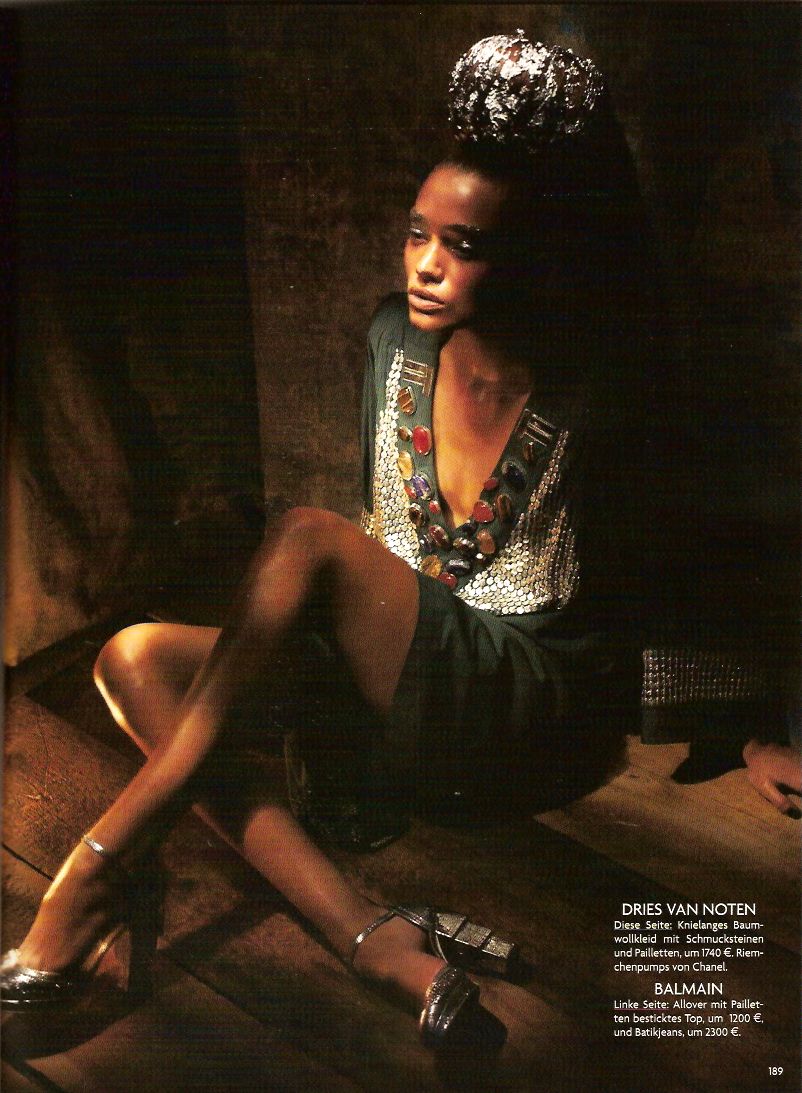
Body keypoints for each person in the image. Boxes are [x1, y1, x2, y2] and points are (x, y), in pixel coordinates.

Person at [2, 31, 793, 1044]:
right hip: (399, 691)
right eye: (418, 233)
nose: (425, 264)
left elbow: (676, 565)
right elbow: (390, 544)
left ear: (540, 251)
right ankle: (369, 936)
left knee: (305, 536)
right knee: (131, 658)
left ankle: (99, 867)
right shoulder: (394, 342)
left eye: (465, 245)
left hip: (520, 713)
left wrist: (750, 722)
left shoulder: (605, 397)